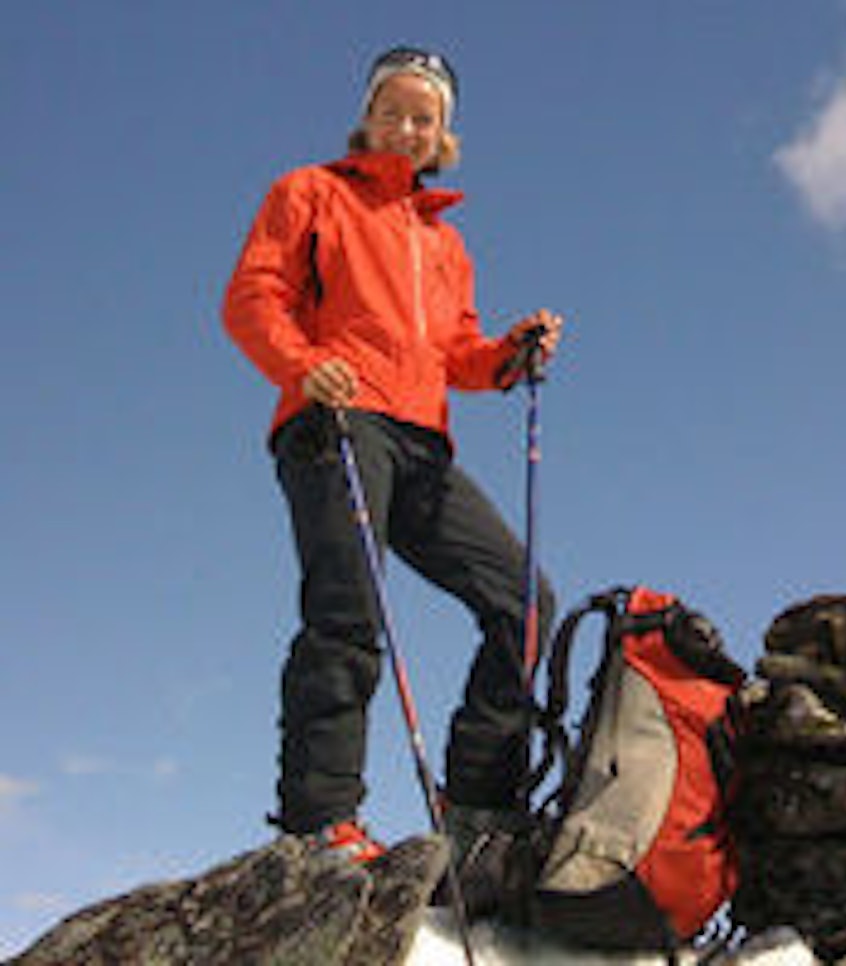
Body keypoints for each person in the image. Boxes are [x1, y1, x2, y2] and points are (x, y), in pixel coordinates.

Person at [223, 46, 562, 864]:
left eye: (425, 117)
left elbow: (457, 354)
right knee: (348, 609)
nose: (407, 127)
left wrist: (509, 353)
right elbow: (252, 297)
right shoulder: (310, 192)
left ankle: (477, 805)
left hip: (420, 439)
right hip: (334, 417)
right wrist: (305, 368)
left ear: (443, 136)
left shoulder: (444, 242)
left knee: (524, 601)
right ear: (367, 118)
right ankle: (320, 821)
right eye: (394, 110)